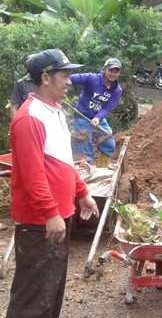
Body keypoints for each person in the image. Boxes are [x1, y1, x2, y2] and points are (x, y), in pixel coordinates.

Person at [6, 48, 99, 318]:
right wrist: (50, 213)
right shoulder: (29, 118)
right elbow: (33, 173)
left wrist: (81, 192)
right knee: (32, 297)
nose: (70, 81)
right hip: (38, 223)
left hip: (57, 216)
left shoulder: (54, 111)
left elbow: (63, 158)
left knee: (51, 289)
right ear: (46, 78)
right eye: (65, 75)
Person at [70, 58, 123, 166]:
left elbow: (108, 108)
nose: (113, 74)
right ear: (104, 69)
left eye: (116, 71)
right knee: (84, 151)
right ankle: (83, 175)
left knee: (109, 143)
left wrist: (98, 118)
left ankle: (103, 170)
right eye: (110, 70)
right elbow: (70, 79)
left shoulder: (117, 90)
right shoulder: (91, 79)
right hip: (82, 117)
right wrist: (60, 90)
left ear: (119, 73)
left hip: (98, 119)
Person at [9, 55, 35, 120]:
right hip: (26, 120)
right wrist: (15, 125)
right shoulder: (20, 83)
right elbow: (14, 107)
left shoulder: (46, 81)